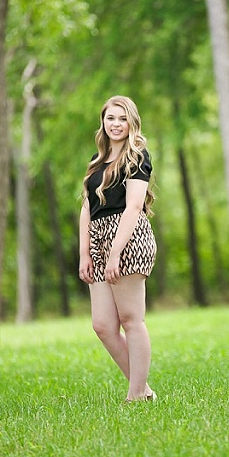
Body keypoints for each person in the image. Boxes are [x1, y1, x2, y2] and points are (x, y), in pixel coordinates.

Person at [78, 95, 157, 403]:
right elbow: (87, 207)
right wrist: (85, 252)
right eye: (110, 118)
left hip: (127, 237)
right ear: (103, 122)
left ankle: (136, 394)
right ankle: (144, 388)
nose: (115, 124)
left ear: (131, 122)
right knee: (102, 325)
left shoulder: (137, 156)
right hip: (97, 239)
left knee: (130, 318)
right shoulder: (97, 163)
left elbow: (135, 205)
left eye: (122, 118)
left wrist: (114, 253)